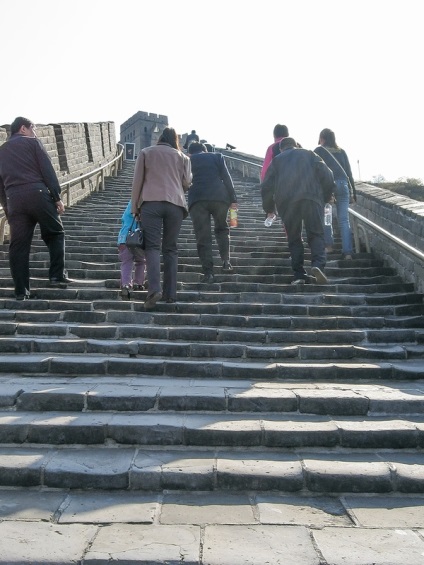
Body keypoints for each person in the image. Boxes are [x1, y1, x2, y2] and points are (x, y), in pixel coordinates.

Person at [0, 117, 71, 300]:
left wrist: (8, 207)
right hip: (37, 194)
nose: (35, 133)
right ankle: (56, 275)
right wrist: (57, 197)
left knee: (18, 246)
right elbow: (47, 170)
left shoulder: (1, 151)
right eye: (33, 128)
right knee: (55, 233)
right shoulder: (33, 143)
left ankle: (21, 290)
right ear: (23, 128)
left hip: (14, 198)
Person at [131, 126, 192, 310]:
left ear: (159, 138)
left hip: (151, 204)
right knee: (171, 249)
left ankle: (154, 290)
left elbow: (137, 182)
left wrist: (135, 207)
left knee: (152, 247)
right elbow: (187, 182)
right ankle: (170, 294)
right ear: (175, 140)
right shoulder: (183, 157)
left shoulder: (146, 152)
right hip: (176, 205)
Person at [260, 137, 335, 285]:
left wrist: (269, 209)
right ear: (295, 145)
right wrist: (327, 196)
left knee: (294, 238)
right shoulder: (309, 154)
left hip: (287, 203)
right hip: (311, 198)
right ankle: (318, 265)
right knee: (315, 234)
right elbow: (327, 174)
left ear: (281, 149)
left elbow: (266, 186)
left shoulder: (277, 160)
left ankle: (299, 274)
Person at [188, 142, 238, 283]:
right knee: (222, 229)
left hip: (197, 199)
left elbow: (184, 180)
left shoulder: (188, 159)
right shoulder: (217, 156)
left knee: (203, 236)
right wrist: (233, 199)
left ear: (190, 152)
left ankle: (208, 272)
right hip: (220, 198)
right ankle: (226, 261)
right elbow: (227, 178)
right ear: (205, 150)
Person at [314, 128, 357, 260]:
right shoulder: (341, 151)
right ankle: (348, 252)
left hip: (328, 187)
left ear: (322, 138)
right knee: (344, 220)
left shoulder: (318, 151)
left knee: (327, 217)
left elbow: (315, 171)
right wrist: (353, 193)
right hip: (343, 185)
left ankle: (329, 246)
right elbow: (349, 173)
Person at [117, 200, 147, 299]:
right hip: (138, 239)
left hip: (124, 238)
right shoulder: (142, 204)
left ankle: (125, 284)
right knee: (141, 262)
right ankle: (138, 283)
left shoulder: (130, 204)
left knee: (126, 262)